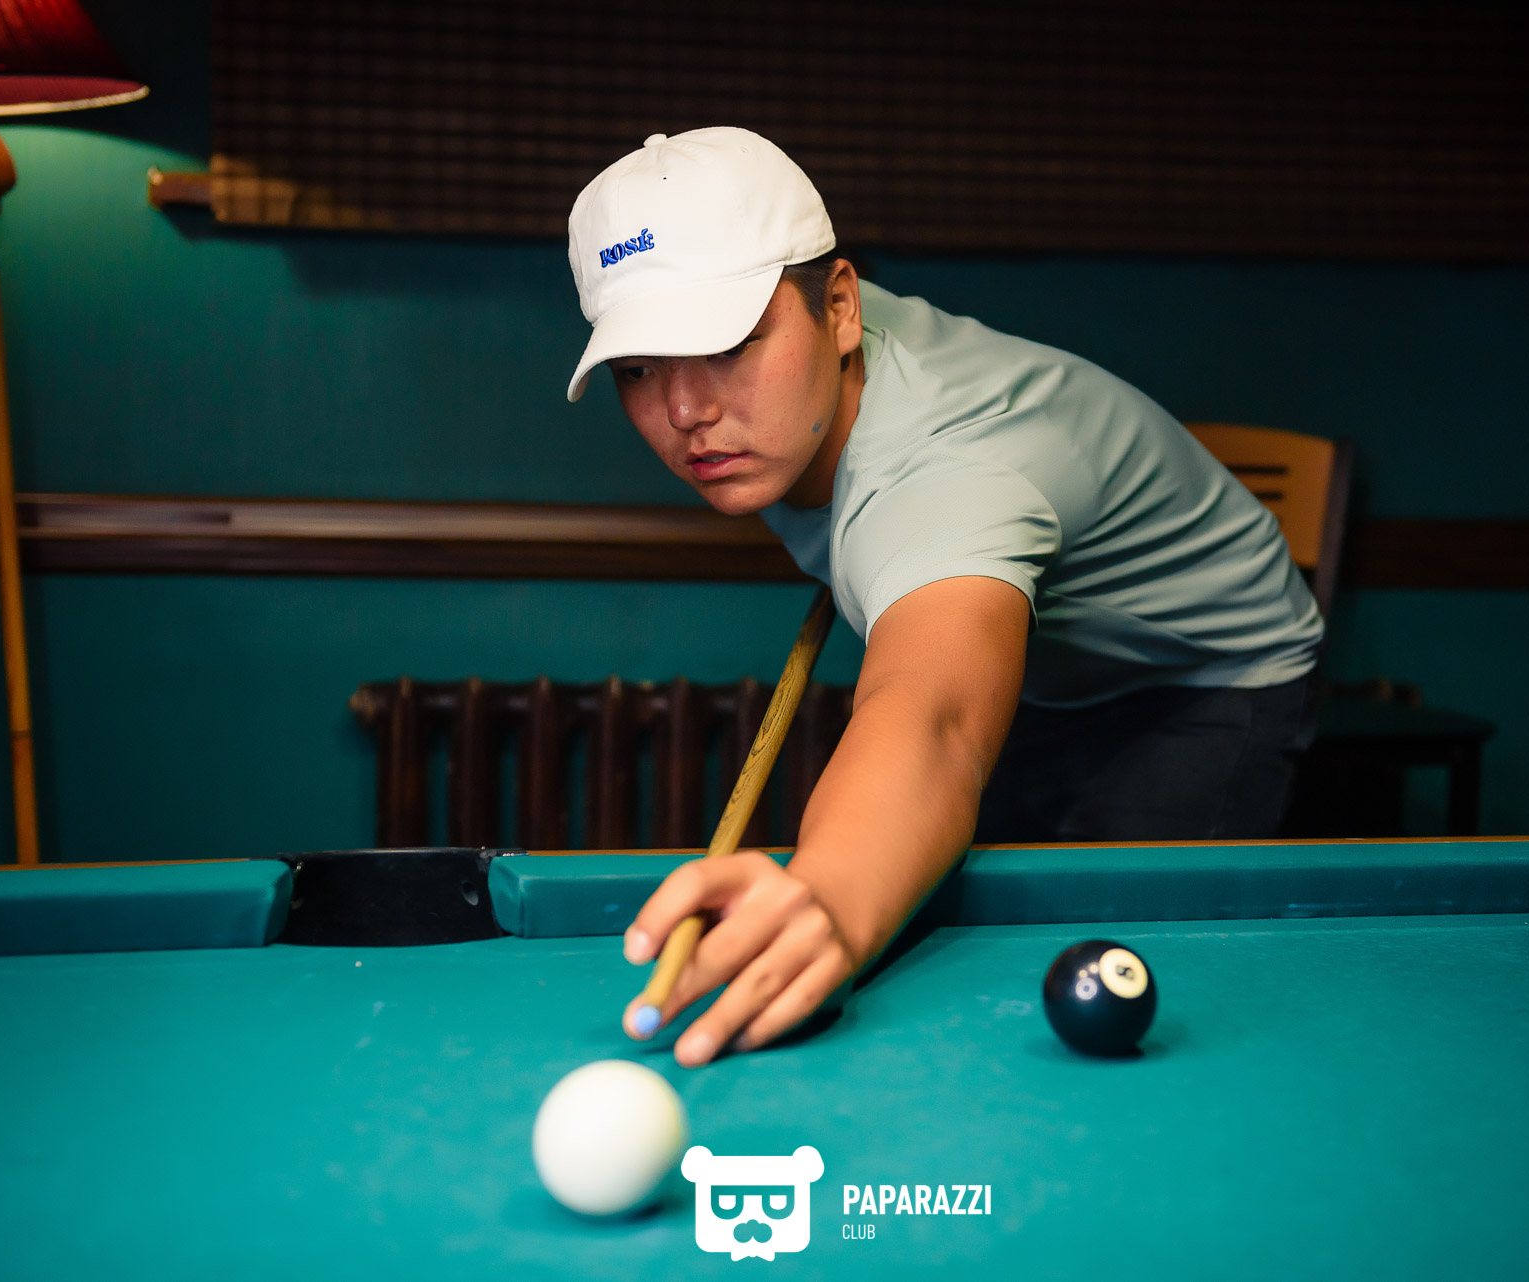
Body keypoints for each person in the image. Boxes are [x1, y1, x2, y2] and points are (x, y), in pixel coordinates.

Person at [564, 128, 1323, 1066]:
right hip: (1049, 660)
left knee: (1119, 968)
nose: (684, 412)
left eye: (722, 342)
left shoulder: (951, 475)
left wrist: (828, 896)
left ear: (842, 306)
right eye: (638, 368)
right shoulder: (799, 362)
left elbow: (935, 722)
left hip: (1202, 678)